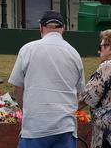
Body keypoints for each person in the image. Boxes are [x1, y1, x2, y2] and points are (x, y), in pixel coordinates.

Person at [9, 10, 85, 148]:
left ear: (41, 28)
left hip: (35, 127)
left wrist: (26, 110)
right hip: (65, 127)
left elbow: (18, 88)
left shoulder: (28, 49)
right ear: (63, 29)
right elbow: (80, 92)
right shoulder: (74, 54)